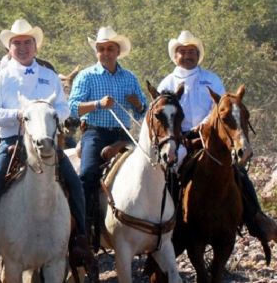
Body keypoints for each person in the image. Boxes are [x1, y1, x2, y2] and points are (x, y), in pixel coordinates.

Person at [0, 19, 93, 263]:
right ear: (10, 48)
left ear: (35, 47)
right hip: (13, 142)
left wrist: (46, 112)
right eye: (17, 43)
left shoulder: (49, 75)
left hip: (48, 143)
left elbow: (64, 107)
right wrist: (16, 115)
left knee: (75, 184)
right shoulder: (1, 78)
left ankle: (80, 240)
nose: (23, 47)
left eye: (28, 42)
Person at [158, 30, 277, 243]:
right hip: (180, 139)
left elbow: (223, 107)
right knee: (168, 176)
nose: (187, 55)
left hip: (211, 137)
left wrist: (204, 126)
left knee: (238, 173)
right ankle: (165, 227)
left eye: (191, 51)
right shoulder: (166, 84)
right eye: (182, 51)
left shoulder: (211, 79)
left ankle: (256, 218)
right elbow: (164, 116)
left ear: (198, 55)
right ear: (175, 55)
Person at [68, 26, 146, 248]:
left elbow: (142, 111)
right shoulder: (86, 76)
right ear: (96, 51)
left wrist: (138, 104)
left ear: (118, 51)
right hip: (95, 133)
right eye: (101, 49)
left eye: (110, 48)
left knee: (150, 166)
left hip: (123, 133)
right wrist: (97, 104)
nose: (105, 53)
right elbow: (72, 107)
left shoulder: (129, 78)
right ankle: (84, 228)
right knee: (88, 174)